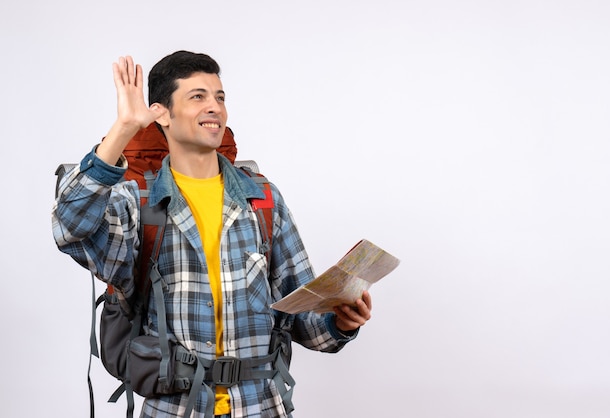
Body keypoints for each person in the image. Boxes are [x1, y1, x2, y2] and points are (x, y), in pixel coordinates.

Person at [51, 50, 372, 418]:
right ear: (162, 114)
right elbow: (69, 227)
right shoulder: (136, 202)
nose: (214, 107)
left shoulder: (262, 198)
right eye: (198, 96)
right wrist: (124, 128)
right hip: (175, 408)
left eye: (220, 97)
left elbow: (302, 318)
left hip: (262, 407)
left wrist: (339, 321)